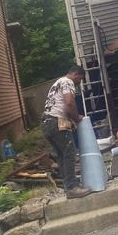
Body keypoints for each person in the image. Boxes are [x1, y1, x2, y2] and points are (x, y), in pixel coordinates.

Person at [41, 65, 90, 198]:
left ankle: (68, 185)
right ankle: (72, 188)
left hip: (47, 123)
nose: (79, 83)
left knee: (62, 156)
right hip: (56, 122)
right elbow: (69, 102)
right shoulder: (67, 82)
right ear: (75, 74)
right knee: (69, 153)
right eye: (79, 80)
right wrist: (76, 117)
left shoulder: (57, 83)